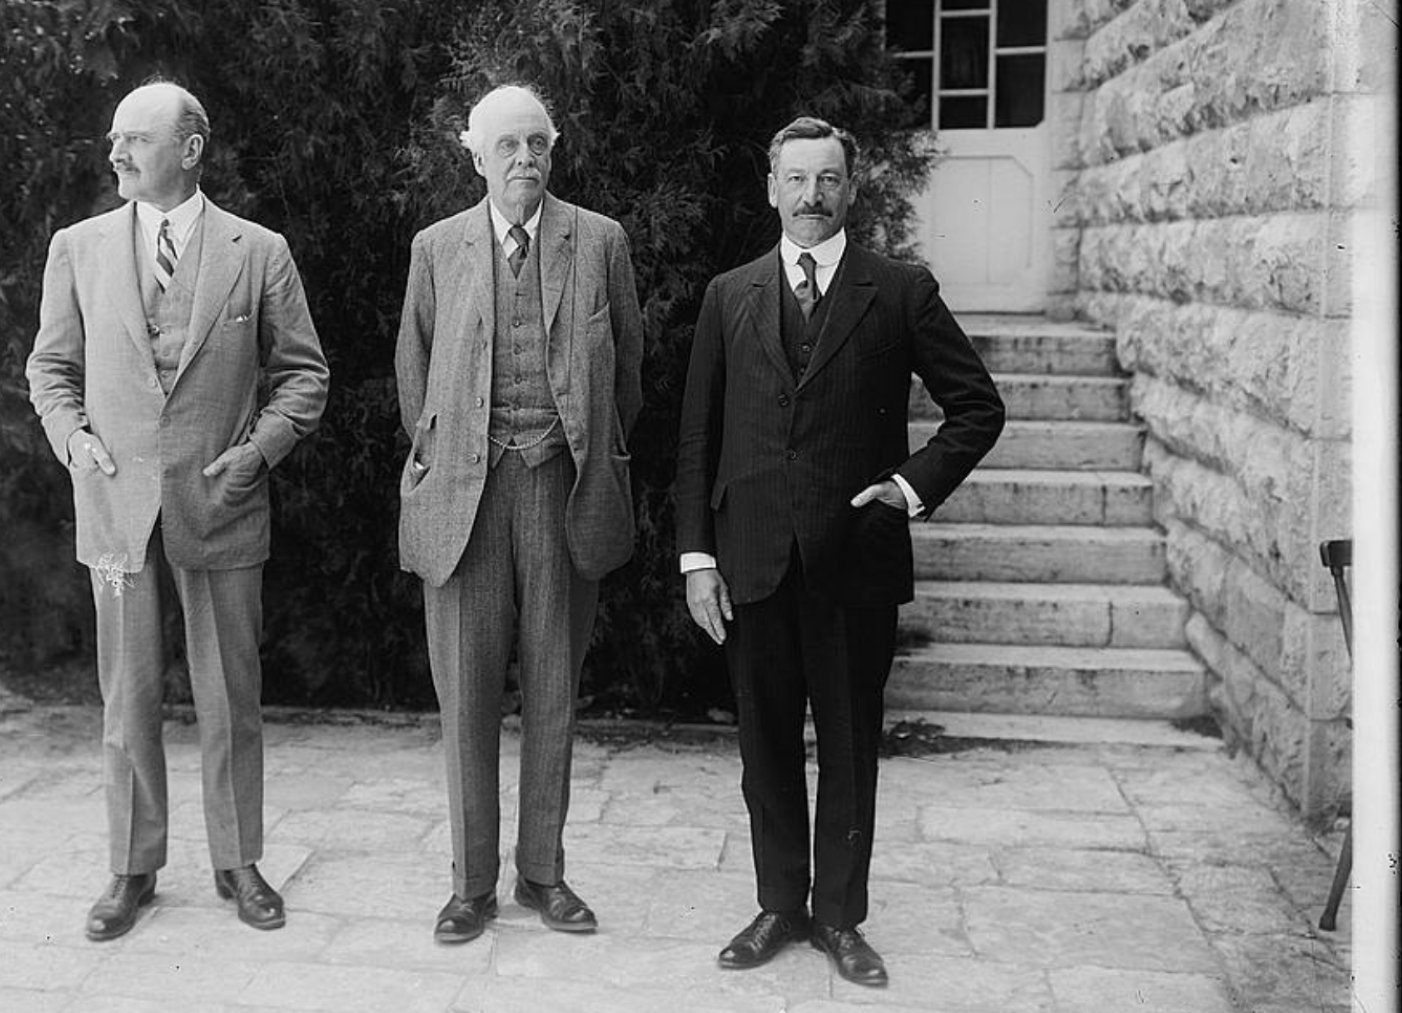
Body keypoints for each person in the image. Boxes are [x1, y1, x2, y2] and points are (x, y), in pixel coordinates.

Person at [674, 116, 1004, 986]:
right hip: (752, 561)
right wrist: (695, 558)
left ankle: (840, 918)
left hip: (855, 562)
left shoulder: (898, 290)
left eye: (828, 180)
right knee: (765, 746)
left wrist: (907, 486)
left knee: (851, 748)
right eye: (796, 180)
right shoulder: (728, 294)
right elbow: (695, 439)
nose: (811, 196)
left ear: (850, 189)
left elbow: (978, 407)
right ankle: (780, 904)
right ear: (771, 188)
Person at [25, 80, 330, 942]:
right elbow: (50, 369)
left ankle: (239, 862)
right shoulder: (77, 247)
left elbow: (306, 375)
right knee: (126, 694)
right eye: (114, 139)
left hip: (223, 500)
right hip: (116, 505)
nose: (115, 153)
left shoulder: (257, 250)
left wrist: (256, 452)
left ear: (190, 149)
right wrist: (72, 437)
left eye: (135, 139)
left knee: (231, 693)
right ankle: (132, 866)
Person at [394, 84, 643, 945]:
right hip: (464, 496)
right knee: (464, 694)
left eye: (538, 142)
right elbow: (414, 378)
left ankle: (544, 872)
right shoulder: (437, 248)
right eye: (507, 145)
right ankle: (470, 885)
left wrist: (574, 448)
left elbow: (629, 378)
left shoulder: (600, 241)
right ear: (475, 154)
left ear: (556, 147)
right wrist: (461, 454)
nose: (525, 158)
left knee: (553, 691)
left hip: (562, 491)